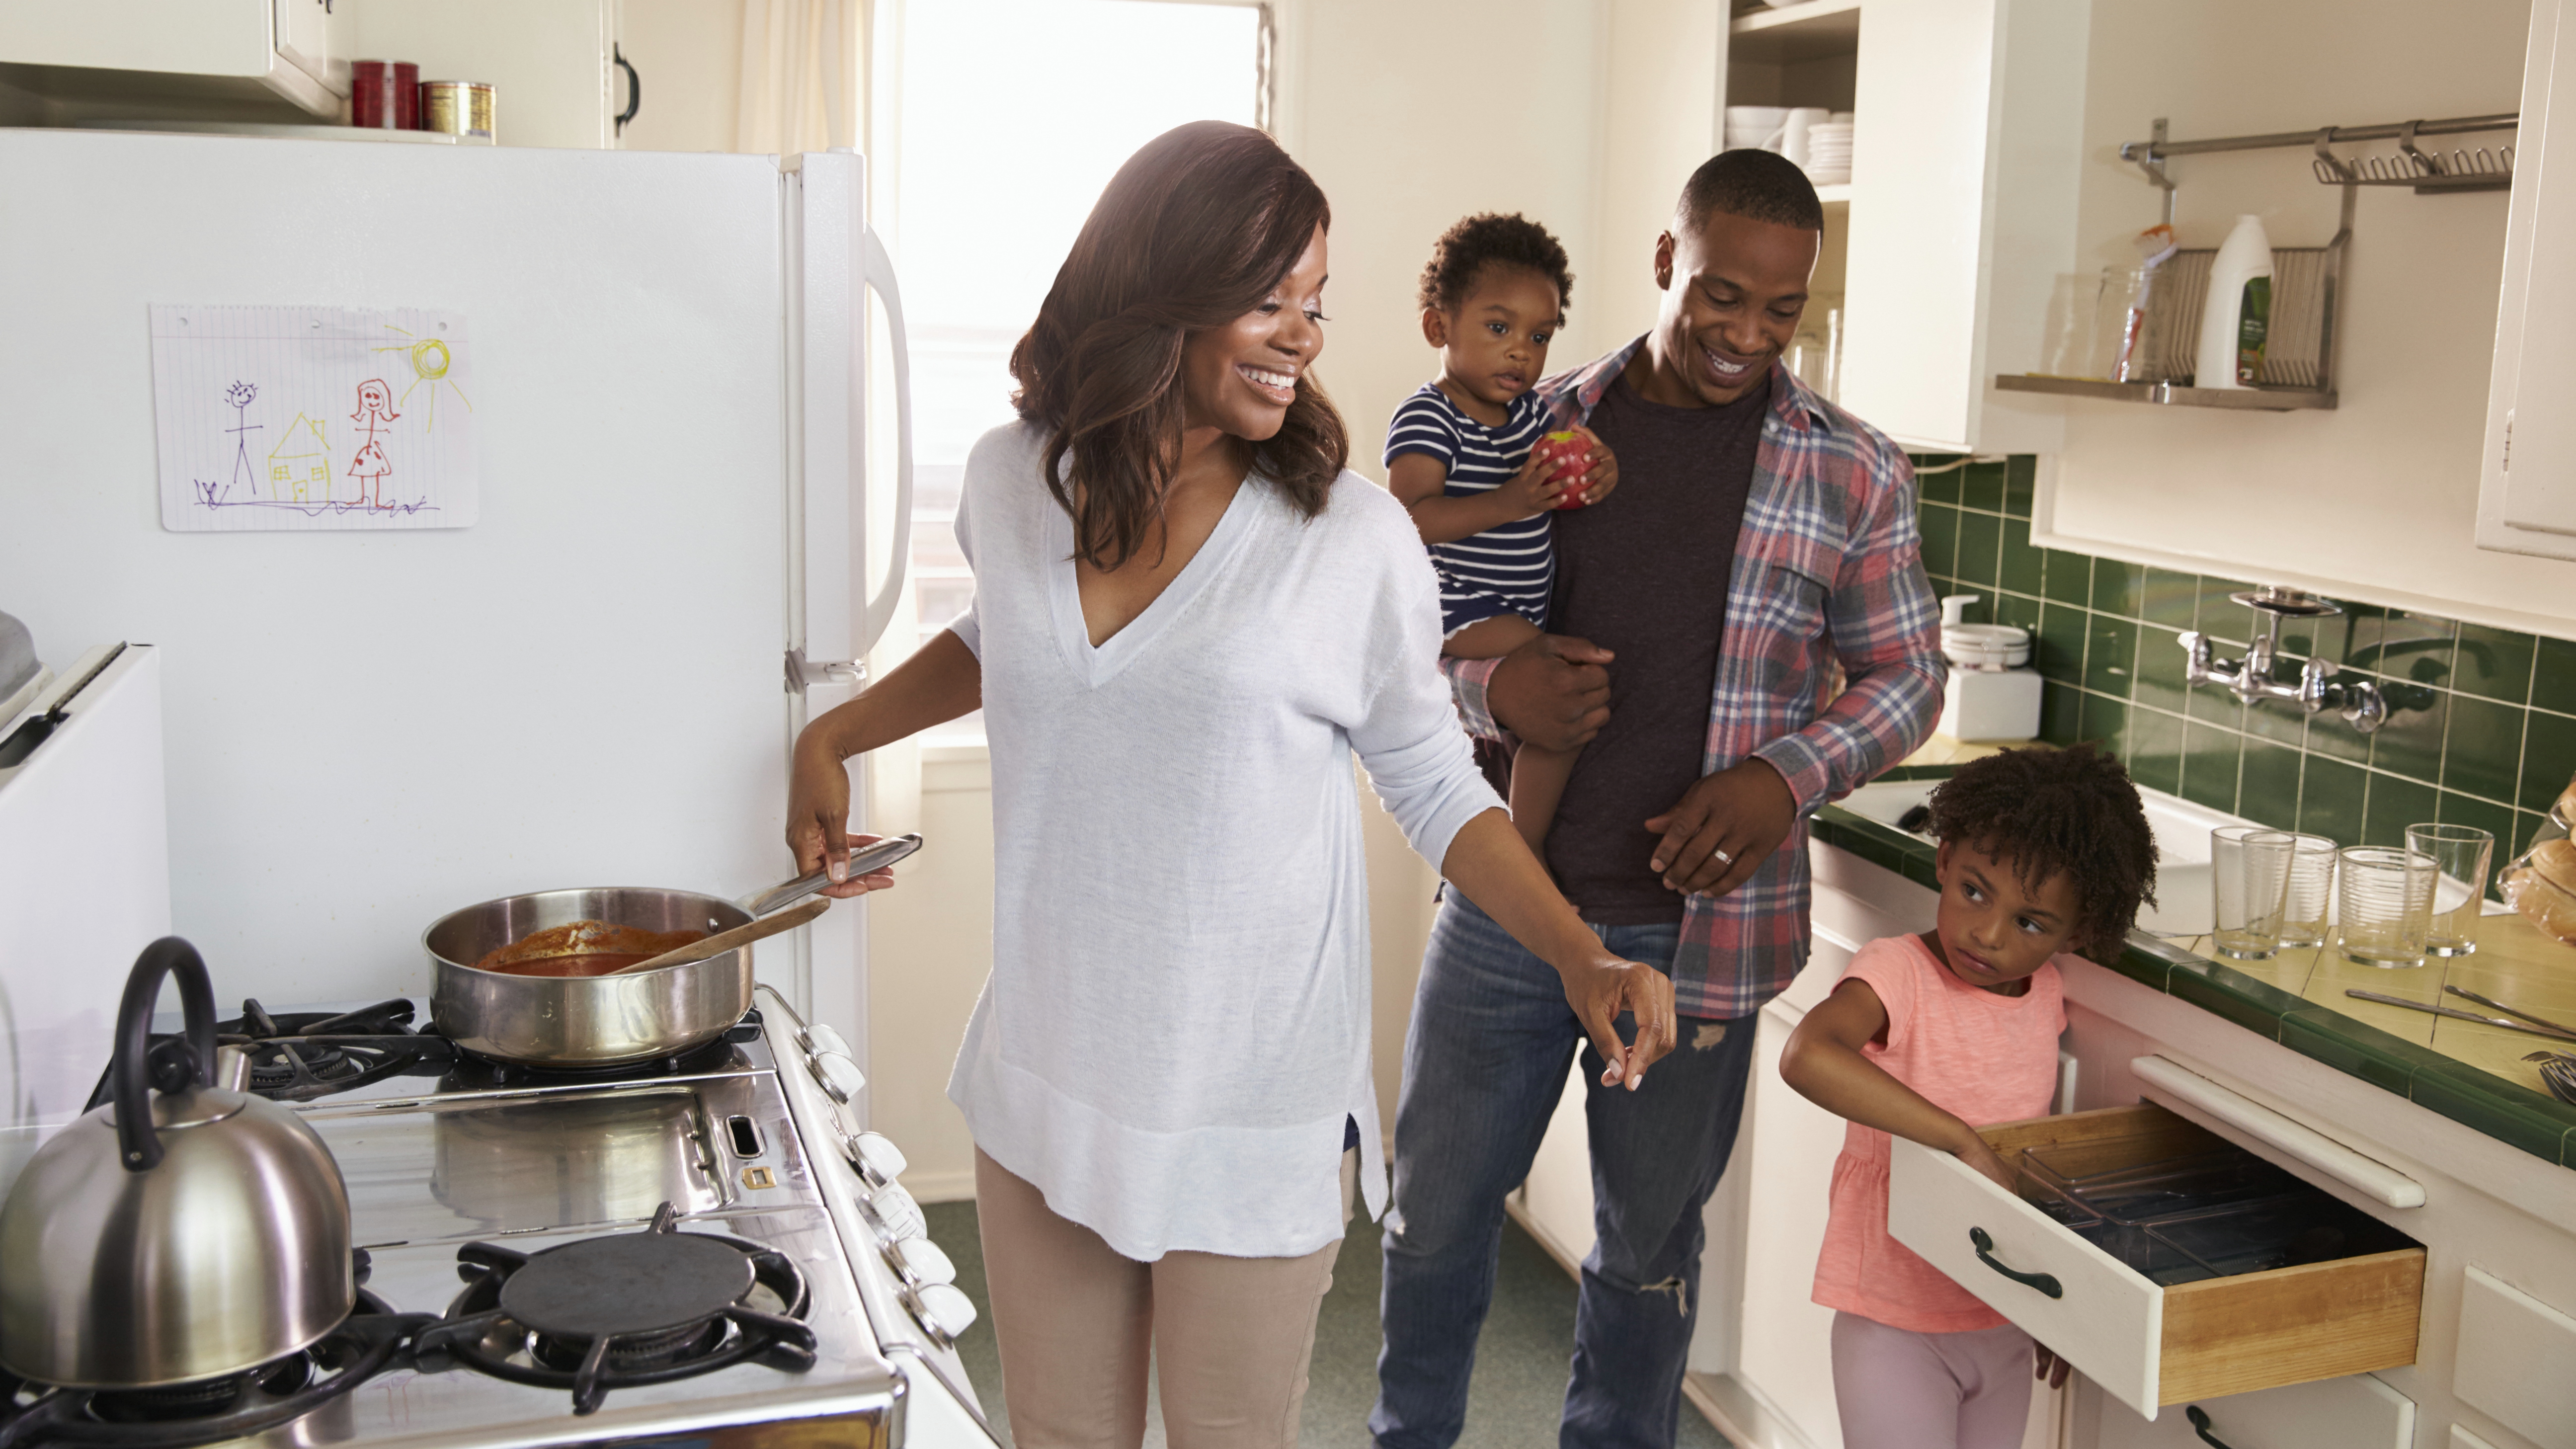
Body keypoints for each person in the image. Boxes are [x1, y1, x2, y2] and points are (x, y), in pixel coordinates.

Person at [782, 121, 1678, 1449]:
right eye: (1271, 300)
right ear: (1160, 293)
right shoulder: (1014, 480)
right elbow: (1008, 639)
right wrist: (835, 732)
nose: (1307, 335)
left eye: (1317, 301)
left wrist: (1577, 952)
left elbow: (1433, 776)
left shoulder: (1349, 538)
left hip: (1253, 1104)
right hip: (1051, 1073)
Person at [1372, 149, 1947, 1449]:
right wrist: (1494, 698)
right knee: (1431, 1219)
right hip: (1513, 910)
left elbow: (1911, 679)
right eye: (1719, 293)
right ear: (1663, 263)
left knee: (1646, 1259)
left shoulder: (1853, 471)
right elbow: (1414, 633)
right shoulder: (1540, 430)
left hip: (1708, 940)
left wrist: (1781, 775)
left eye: (1783, 308)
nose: (1748, 332)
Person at [1778, 746, 2159, 1449]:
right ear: (1945, 859)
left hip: (2003, 1314)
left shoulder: (2046, 996)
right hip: (1894, 1322)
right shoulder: (1899, 973)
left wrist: (2058, 1305)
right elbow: (1807, 1056)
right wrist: (1958, 1138)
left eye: (2031, 924)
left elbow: (2043, 1165)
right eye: (1975, 892)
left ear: (2078, 935)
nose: (1987, 934)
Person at [1385, 213, 1617, 857]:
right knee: (1560, 689)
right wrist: (1513, 501)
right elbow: (1408, 520)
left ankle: (1519, 846)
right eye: (1499, 328)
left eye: (1539, 336)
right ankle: (1525, 856)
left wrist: (1599, 468)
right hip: (1454, 597)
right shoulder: (1430, 415)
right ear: (1440, 326)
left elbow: (1565, 468)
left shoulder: (1531, 414)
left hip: (1512, 604)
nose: (1522, 350)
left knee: (1552, 723)